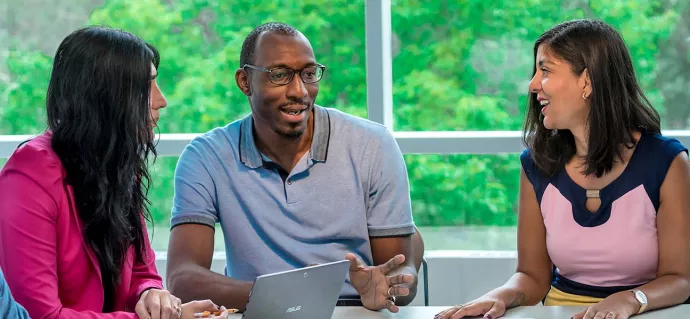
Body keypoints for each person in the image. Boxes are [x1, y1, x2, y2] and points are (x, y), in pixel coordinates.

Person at [437, 19, 690, 319]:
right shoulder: (536, 164)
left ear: (587, 81)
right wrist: (499, 297)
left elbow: (681, 279)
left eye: (545, 71)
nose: (532, 85)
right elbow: (532, 277)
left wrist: (631, 300)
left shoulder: (667, 162)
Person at [166, 22, 419, 313]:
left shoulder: (373, 145)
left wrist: (392, 287)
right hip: (257, 311)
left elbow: (402, 273)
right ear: (245, 81)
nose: (299, 91)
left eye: (308, 74)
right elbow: (182, 278)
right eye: (280, 75)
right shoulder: (206, 157)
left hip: (355, 309)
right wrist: (290, 299)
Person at [0, 26, 228, 319]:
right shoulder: (29, 175)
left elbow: (143, 273)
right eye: (147, 87)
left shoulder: (117, 165)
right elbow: (39, 315)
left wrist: (151, 294)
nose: (161, 101)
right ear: (106, 97)